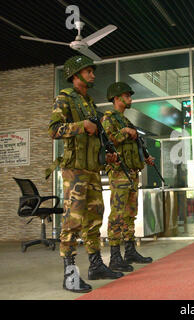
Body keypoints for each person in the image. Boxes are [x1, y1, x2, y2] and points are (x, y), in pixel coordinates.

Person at [48, 55, 124, 293]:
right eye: (88, 71)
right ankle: (70, 274)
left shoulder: (89, 103)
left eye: (92, 71)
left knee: (94, 219)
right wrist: (81, 126)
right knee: (73, 221)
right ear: (76, 75)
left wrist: (107, 155)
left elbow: (96, 138)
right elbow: (53, 130)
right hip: (75, 171)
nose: (93, 75)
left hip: (92, 170)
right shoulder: (64, 98)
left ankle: (96, 265)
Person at [101, 82, 155, 272]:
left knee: (131, 213)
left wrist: (146, 156)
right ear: (117, 98)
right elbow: (108, 141)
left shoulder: (126, 120)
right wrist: (125, 132)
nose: (130, 98)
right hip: (118, 172)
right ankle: (115, 256)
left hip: (132, 172)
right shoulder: (109, 118)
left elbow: (136, 145)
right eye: (127, 95)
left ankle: (130, 250)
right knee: (117, 214)